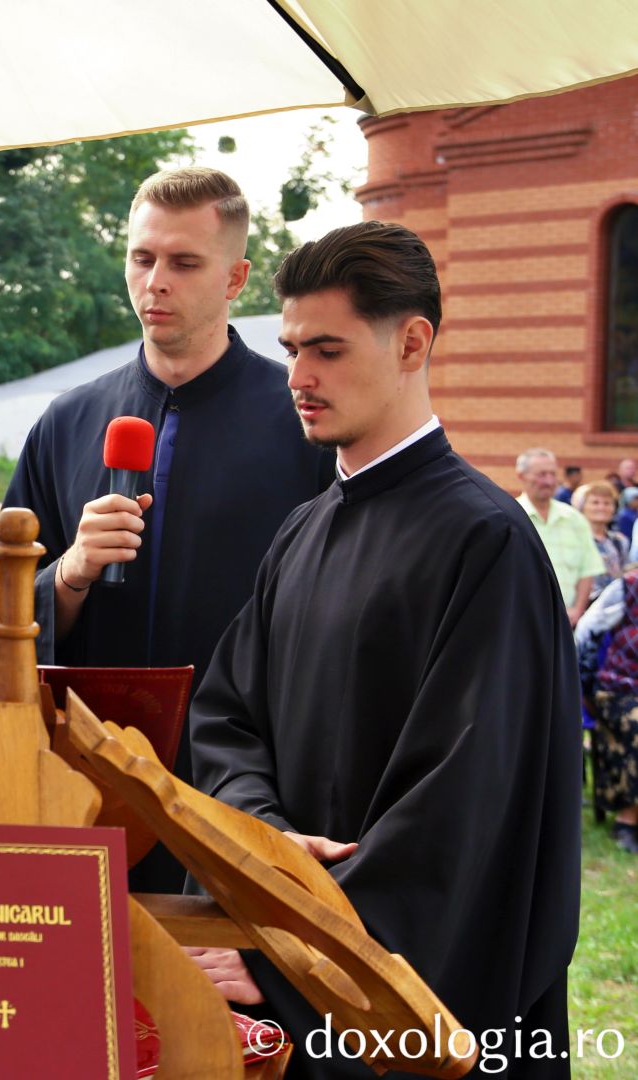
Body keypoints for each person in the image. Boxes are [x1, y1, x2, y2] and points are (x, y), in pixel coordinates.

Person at [189, 222, 580, 1077]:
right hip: (282, 951)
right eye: (291, 350)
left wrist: (293, 963)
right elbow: (226, 717)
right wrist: (266, 837)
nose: (298, 378)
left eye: (326, 350)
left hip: (405, 1008)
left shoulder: (486, 542)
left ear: (412, 342)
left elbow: (464, 815)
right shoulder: (300, 531)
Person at [0, 167, 335, 890]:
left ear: (236, 278)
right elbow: (5, 613)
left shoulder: (302, 425)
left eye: (184, 263)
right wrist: (71, 572)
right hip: (86, 777)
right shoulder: (67, 422)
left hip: (246, 780)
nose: (155, 282)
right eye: (142, 258)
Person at [574, 569, 638, 855]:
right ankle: (628, 819)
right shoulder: (628, 587)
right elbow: (586, 631)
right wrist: (583, 687)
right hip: (621, 687)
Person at [518, 448, 602, 624]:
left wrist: (577, 610)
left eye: (552, 474)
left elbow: (587, 570)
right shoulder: (511, 518)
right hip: (523, 621)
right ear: (521, 476)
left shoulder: (574, 519)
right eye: (541, 474)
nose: (549, 481)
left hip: (566, 622)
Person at [576, 480, 627, 595]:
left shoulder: (620, 541)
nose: (601, 507)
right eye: (595, 502)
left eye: (607, 503)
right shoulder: (573, 540)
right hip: (582, 603)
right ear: (583, 507)